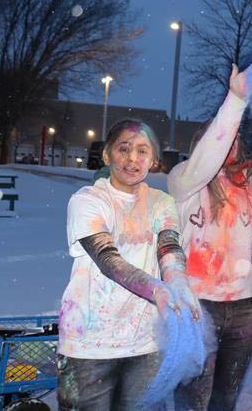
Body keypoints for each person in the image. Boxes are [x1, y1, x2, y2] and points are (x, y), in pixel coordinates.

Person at [57, 119, 199, 410]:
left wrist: (180, 286)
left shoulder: (161, 202)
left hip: (146, 345)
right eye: (124, 148)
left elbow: (169, 247)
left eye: (142, 151)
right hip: (88, 346)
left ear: (154, 161)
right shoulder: (87, 200)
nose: (133, 158)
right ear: (107, 155)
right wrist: (157, 290)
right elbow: (108, 259)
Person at [168, 64, 252, 410]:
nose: (225, 145)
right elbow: (207, 160)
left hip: (244, 310)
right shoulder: (183, 180)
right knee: (192, 400)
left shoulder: (249, 186)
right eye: (217, 138)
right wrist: (235, 101)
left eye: (233, 138)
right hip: (197, 306)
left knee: (224, 399)